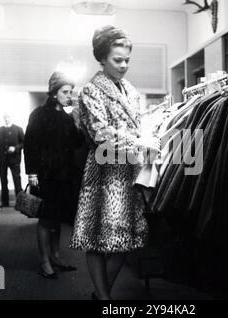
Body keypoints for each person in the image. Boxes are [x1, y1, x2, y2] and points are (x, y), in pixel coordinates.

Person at [70, 25, 160, 300]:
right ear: (101, 58)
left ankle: (100, 295)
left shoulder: (131, 90)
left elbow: (138, 124)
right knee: (98, 240)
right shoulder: (90, 91)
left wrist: (150, 134)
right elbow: (100, 134)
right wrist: (140, 143)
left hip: (129, 172)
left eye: (127, 60)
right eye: (117, 60)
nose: (124, 66)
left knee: (126, 240)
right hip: (103, 171)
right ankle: (105, 299)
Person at [24, 71, 86, 279]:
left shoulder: (68, 118)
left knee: (57, 217)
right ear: (53, 93)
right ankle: (44, 261)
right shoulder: (39, 114)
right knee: (46, 218)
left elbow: (77, 144)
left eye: (71, 92)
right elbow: (30, 145)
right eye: (65, 92)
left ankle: (56, 256)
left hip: (65, 174)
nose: (70, 96)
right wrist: (32, 173)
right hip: (45, 175)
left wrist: (78, 123)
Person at [0, 113, 24, 207]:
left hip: (14, 159)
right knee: (3, 181)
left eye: (8, 117)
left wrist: (15, 148)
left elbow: (24, 143)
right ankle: (4, 202)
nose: (6, 119)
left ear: (11, 118)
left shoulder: (18, 129)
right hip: (2, 159)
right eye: (5, 117)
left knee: (17, 181)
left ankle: (20, 203)